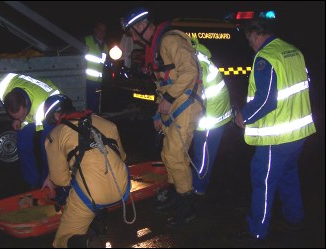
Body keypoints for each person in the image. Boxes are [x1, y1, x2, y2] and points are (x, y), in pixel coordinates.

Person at [232, 16, 316, 244]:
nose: (249, 43)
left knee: (263, 181)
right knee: (288, 176)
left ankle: (257, 231)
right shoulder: (293, 51)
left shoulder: (266, 57)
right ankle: (295, 218)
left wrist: (244, 115)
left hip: (276, 136)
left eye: (249, 38)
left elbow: (267, 99)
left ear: (256, 34)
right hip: (297, 133)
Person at [121, 8, 204, 227]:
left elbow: (190, 72)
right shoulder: (157, 46)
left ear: (140, 27)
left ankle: (188, 206)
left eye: (132, 33)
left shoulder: (170, 41)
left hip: (186, 103)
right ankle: (175, 194)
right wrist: (159, 111)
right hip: (174, 104)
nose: (132, 39)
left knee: (175, 155)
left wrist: (168, 98)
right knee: (169, 155)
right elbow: (163, 83)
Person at [43, 94, 131, 248]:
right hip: (122, 187)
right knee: (92, 182)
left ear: (57, 115)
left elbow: (60, 180)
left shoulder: (54, 135)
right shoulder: (106, 123)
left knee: (62, 239)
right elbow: (122, 156)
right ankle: (99, 227)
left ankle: (88, 243)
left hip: (91, 195)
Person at [0, 73, 61, 190]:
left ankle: (49, 180)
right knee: (23, 144)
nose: (20, 120)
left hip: (49, 112)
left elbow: (42, 126)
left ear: (26, 105)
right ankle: (32, 181)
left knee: (47, 147)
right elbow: (20, 116)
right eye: (16, 116)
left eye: (22, 116)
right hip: (34, 110)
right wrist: (17, 120)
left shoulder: (44, 106)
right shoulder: (2, 88)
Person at [191, 37, 233, 196]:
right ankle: (199, 183)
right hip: (212, 113)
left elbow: (194, 94)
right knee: (202, 153)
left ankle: (198, 188)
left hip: (210, 117)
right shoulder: (197, 58)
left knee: (202, 155)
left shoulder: (197, 64)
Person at [84, 21, 109, 113]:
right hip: (86, 81)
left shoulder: (106, 47)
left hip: (97, 83)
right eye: (100, 30)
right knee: (86, 106)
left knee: (94, 107)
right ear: (95, 30)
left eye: (104, 31)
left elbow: (104, 64)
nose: (102, 33)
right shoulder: (86, 41)